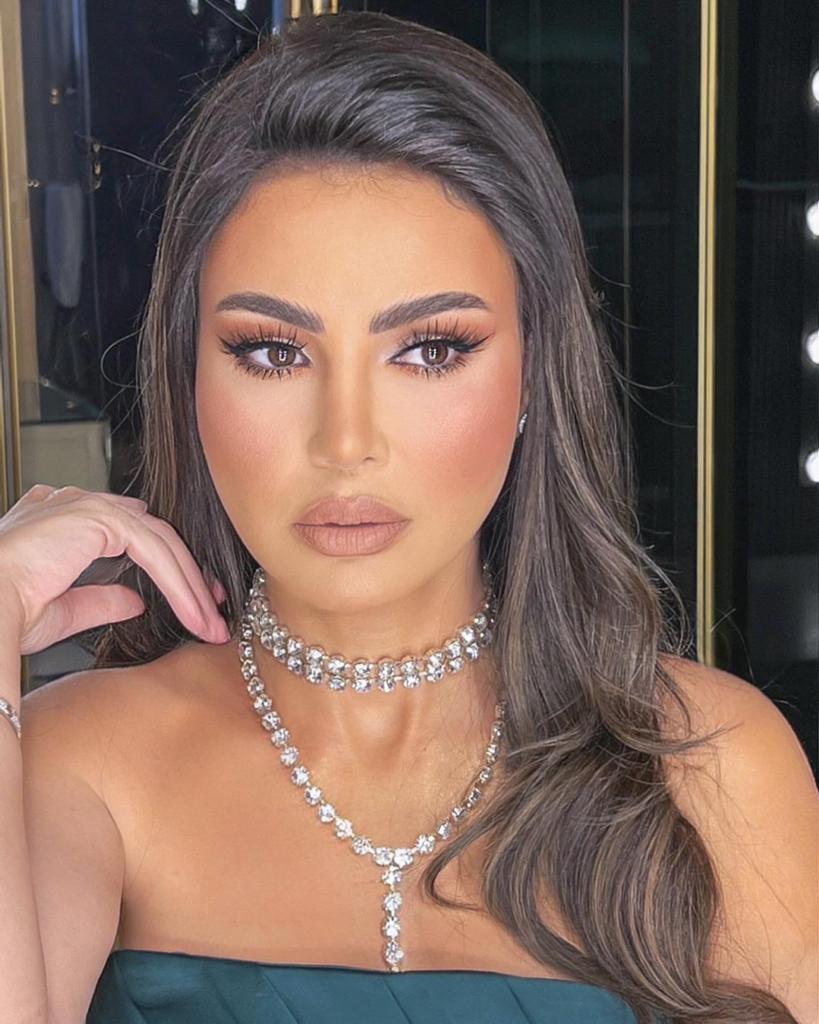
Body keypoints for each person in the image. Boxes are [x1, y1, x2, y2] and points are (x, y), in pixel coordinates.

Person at [0, 11, 815, 1024]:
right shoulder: (81, 762)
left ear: (534, 372)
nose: (346, 442)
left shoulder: (712, 769)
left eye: (430, 350)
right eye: (273, 352)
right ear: (188, 375)